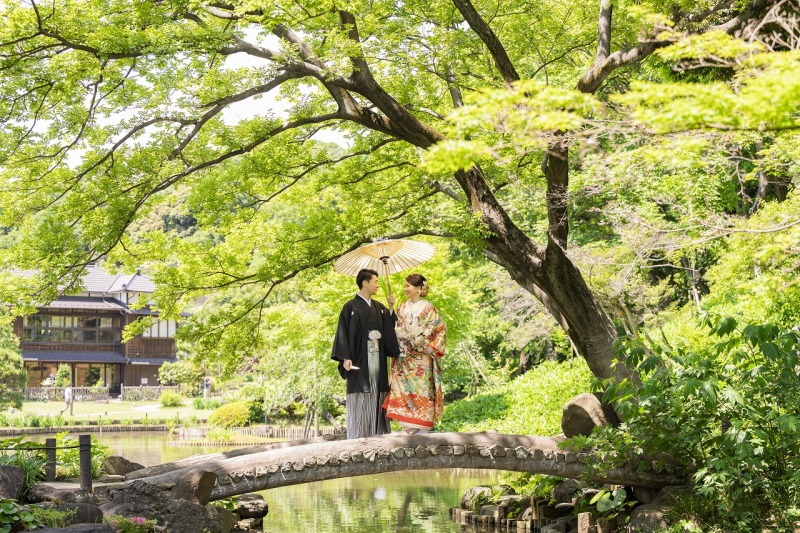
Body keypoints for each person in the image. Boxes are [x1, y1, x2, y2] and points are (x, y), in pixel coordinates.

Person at [331, 268, 400, 439]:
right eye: (375, 281)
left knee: (378, 391)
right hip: (360, 361)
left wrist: (391, 309)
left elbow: (390, 328)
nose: (378, 285)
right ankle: (359, 436)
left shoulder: (380, 308)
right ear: (365, 282)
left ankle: (379, 435)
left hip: (377, 359)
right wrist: (345, 357)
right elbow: (343, 333)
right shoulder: (350, 307)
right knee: (361, 391)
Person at [383, 274, 446, 434]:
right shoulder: (402, 307)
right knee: (402, 388)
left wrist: (419, 337)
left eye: (408, 286)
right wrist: (391, 310)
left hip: (421, 357)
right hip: (404, 356)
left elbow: (438, 329)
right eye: (404, 286)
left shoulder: (429, 308)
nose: (405, 289)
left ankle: (421, 426)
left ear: (419, 288)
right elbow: (396, 325)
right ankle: (408, 425)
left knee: (421, 389)